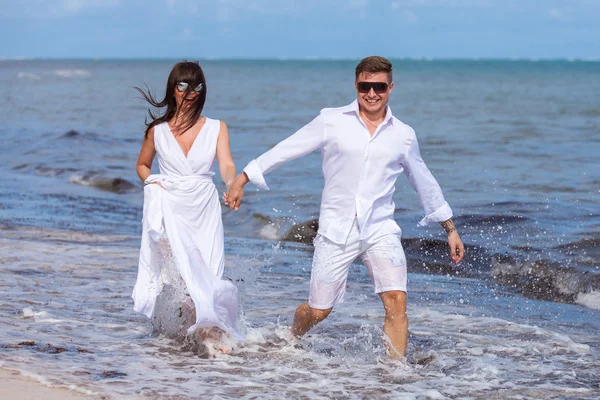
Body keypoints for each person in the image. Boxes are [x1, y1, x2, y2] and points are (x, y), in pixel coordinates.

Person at [226, 56, 464, 358]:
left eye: (379, 86)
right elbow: (288, 148)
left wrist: (450, 228)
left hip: (380, 229)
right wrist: (244, 177)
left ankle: (394, 377)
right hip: (336, 230)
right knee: (319, 310)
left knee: (396, 300)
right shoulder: (331, 120)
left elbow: (423, 180)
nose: (372, 93)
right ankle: (290, 335)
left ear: (391, 87)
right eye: (365, 86)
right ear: (356, 85)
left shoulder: (403, 135)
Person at [132, 61, 239, 343]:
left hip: (204, 207)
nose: (190, 92)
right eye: (184, 86)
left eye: (197, 87)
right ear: (173, 88)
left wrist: (232, 184)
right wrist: (153, 181)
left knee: (209, 273)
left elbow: (226, 164)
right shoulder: (157, 131)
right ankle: (193, 337)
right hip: (171, 206)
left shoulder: (217, 127)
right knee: (179, 276)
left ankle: (204, 334)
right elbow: (142, 165)